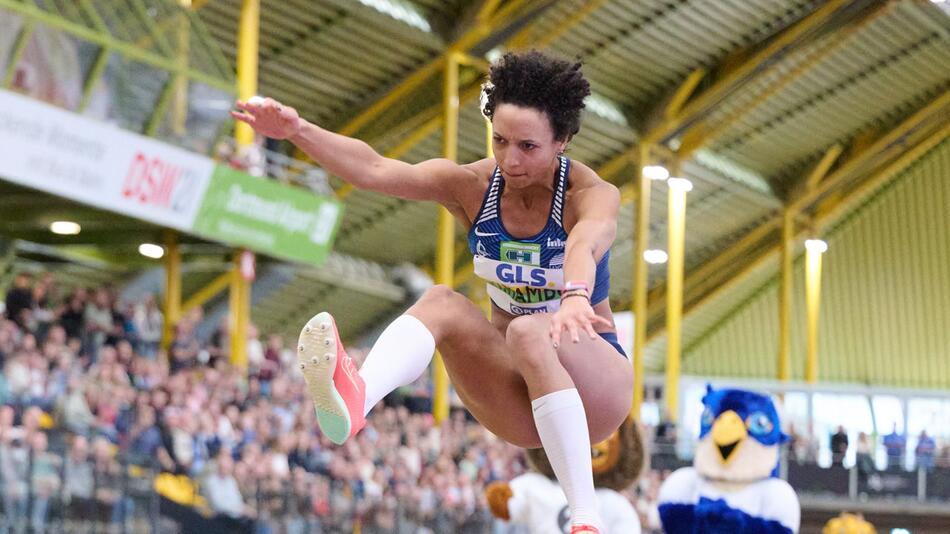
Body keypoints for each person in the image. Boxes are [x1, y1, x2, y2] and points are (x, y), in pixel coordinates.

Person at [233, 50, 632, 534]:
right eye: (500, 140)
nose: (510, 158)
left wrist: (573, 296)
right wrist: (299, 131)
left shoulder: (589, 194)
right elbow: (376, 170)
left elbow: (587, 242)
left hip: (596, 386)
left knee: (529, 331)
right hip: (523, 400)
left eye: (528, 146)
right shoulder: (473, 187)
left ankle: (585, 520)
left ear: (563, 141)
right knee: (442, 301)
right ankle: (357, 400)